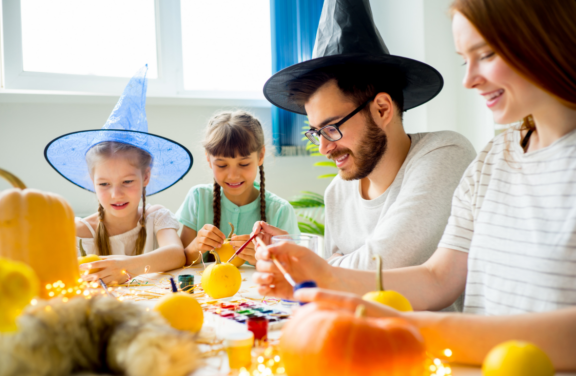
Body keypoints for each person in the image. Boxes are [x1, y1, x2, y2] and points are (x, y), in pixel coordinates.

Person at [254, 0, 576, 369]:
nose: (468, 79)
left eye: (486, 55)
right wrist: (325, 275)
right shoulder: (494, 158)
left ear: (546, 40)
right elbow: (439, 277)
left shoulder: (449, 153)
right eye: (463, 60)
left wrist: (403, 325)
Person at [258, 0, 476, 274]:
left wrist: (330, 264)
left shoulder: (445, 153)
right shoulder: (337, 192)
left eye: (332, 127)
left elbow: (376, 266)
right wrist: (314, 259)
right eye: (316, 132)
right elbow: (337, 282)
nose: (324, 148)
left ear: (382, 109)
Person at [45, 66, 192, 285]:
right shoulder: (83, 230)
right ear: (92, 182)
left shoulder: (157, 218)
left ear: (146, 177)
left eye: (127, 181)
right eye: (104, 183)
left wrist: (127, 267)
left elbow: (176, 254)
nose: (116, 193)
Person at [176, 111, 300, 266]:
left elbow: (294, 269)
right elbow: (180, 262)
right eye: (222, 165)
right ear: (209, 159)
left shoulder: (280, 211)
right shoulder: (198, 198)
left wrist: (264, 260)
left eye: (244, 164)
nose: (233, 176)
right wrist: (196, 246)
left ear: (260, 156)